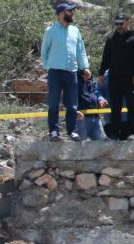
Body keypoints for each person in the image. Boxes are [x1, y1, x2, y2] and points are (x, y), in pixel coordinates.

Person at [42, 3, 91, 141]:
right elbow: (44, 52)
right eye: (70, 11)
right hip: (55, 72)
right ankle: (54, 131)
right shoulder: (50, 31)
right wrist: (49, 67)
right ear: (62, 14)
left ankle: (72, 131)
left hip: (71, 71)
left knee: (72, 104)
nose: (73, 14)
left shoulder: (75, 31)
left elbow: (80, 51)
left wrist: (85, 67)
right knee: (53, 103)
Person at [99, 13, 134, 139]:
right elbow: (106, 57)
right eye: (116, 24)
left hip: (131, 78)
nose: (118, 26)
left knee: (131, 106)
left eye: (121, 23)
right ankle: (115, 132)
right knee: (115, 106)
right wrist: (101, 73)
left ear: (128, 22)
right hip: (114, 78)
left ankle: (132, 132)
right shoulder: (111, 38)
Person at [77, 69, 107, 141]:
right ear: (81, 74)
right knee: (79, 145)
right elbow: (69, 99)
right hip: (81, 119)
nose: (87, 76)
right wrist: (75, 111)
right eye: (85, 74)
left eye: (88, 74)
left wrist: (101, 99)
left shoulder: (93, 84)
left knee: (101, 144)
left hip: (96, 118)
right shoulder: (75, 84)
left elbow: (98, 93)